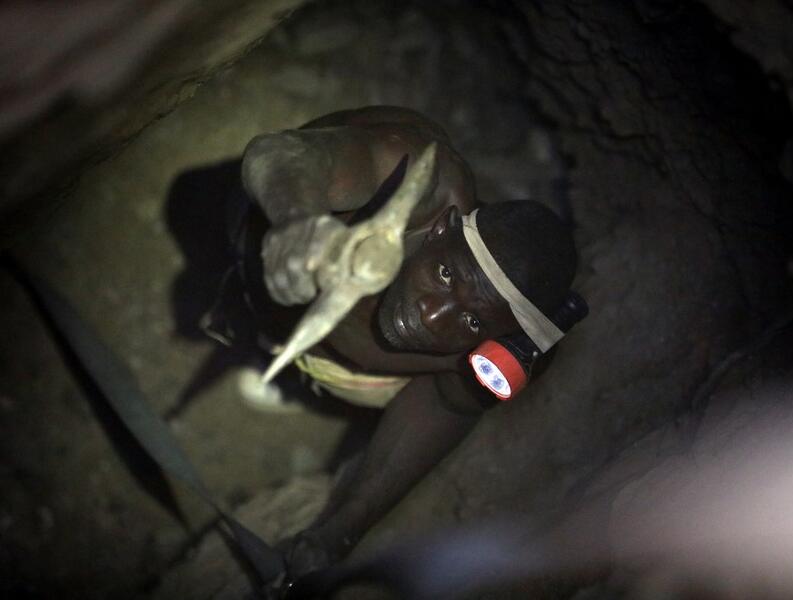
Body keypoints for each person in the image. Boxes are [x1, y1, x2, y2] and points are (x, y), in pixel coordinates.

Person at [205, 105, 581, 578]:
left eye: (468, 321)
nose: (432, 312)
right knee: (251, 285)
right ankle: (258, 332)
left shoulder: (500, 351)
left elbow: (448, 408)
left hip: (327, 354)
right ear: (443, 228)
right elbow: (276, 155)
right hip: (259, 250)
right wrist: (296, 223)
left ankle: (283, 363)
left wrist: (339, 533)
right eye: (444, 274)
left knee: (462, 386)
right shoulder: (417, 179)